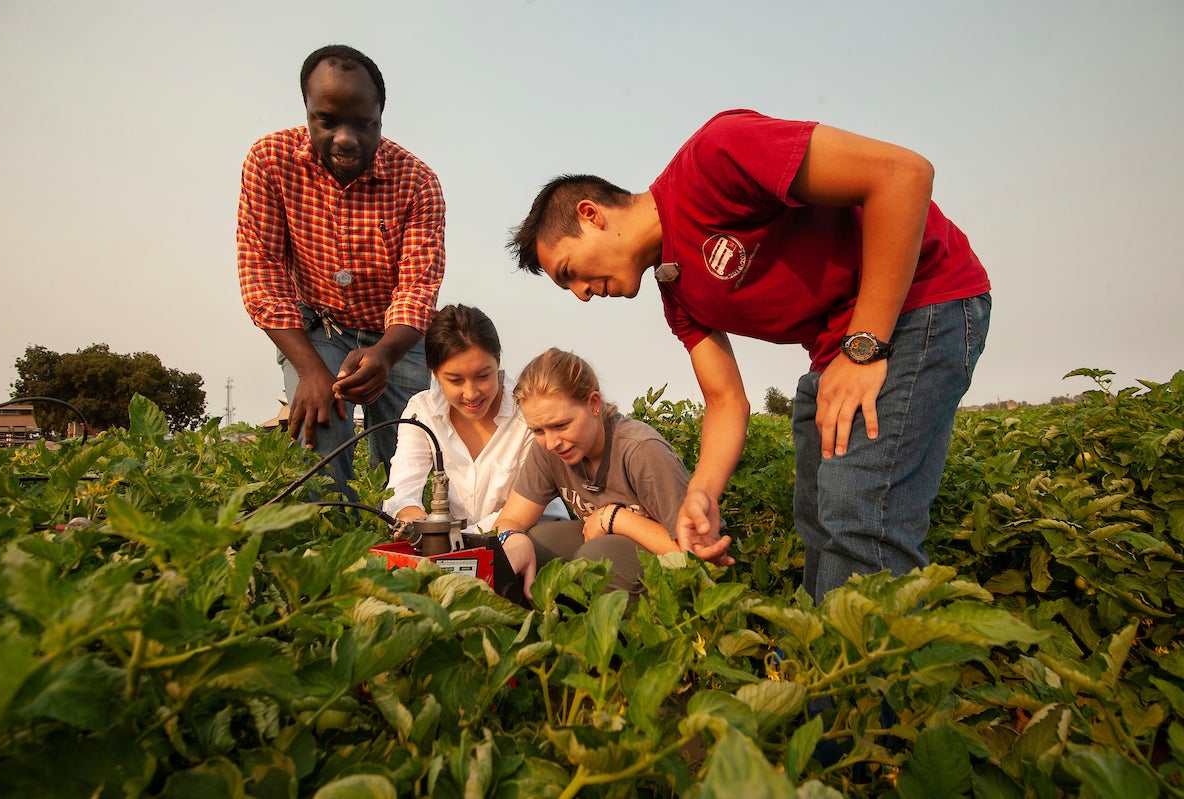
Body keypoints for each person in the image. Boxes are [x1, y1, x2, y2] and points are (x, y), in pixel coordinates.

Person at [508, 109, 991, 603]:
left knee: (861, 512)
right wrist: (701, 493)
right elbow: (725, 402)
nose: (581, 295)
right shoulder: (678, 293)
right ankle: (821, 655)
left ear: (591, 214)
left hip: (921, 303)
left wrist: (863, 348)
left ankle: (866, 673)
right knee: (820, 516)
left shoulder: (715, 158)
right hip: (837, 348)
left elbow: (902, 174)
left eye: (568, 271)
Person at [237, 44, 445, 497]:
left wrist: (385, 355)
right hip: (316, 327)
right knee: (319, 431)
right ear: (308, 112)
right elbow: (263, 275)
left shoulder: (417, 181)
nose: (346, 138)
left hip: (397, 335)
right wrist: (311, 370)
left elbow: (417, 286)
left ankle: (398, 549)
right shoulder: (270, 162)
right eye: (327, 121)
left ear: (380, 117)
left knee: (404, 451)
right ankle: (335, 542)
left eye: (364, 124)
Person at [493, 348, 718, 599]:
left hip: (673, 569)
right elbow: (509, 519)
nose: (551, 442)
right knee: (536, 542)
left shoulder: (641, 451)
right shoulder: (548, 449)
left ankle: (635, 632)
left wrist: (614, 518)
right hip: (614, 549)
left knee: (595, 558)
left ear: (593, 404)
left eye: (561, 425)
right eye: (538, 430)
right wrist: (512, 537)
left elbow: (696, 552)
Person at [384, 304, 566, 534]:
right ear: (434, 373)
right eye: (455, 380)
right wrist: (414, 519)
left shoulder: (527, 411)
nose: (471, 394)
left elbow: (523, 508)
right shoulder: (423, 411)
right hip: (460, 544)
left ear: (498, 362)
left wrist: (453, 542)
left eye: (483, 376)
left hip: (534, 534)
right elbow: (401, 490)